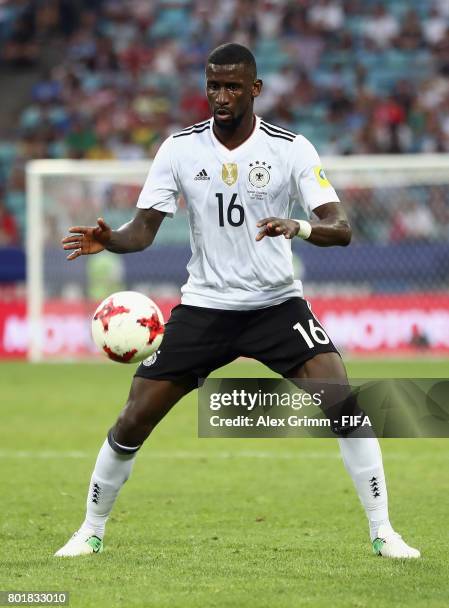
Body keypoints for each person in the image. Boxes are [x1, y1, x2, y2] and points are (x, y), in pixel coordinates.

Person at [56, 43, 420, 559]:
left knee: (344, 403)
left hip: (276, 306)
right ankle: (89, 530)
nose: (220, 96)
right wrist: (110, 238)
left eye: (231, 86)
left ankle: (384, 532)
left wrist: (298, 225)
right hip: (205, 308)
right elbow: (142, 230)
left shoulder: (290, 148)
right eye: (213, 86)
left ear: (255, 89)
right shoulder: (179, 149)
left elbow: (341, 229)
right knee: (134, 419)